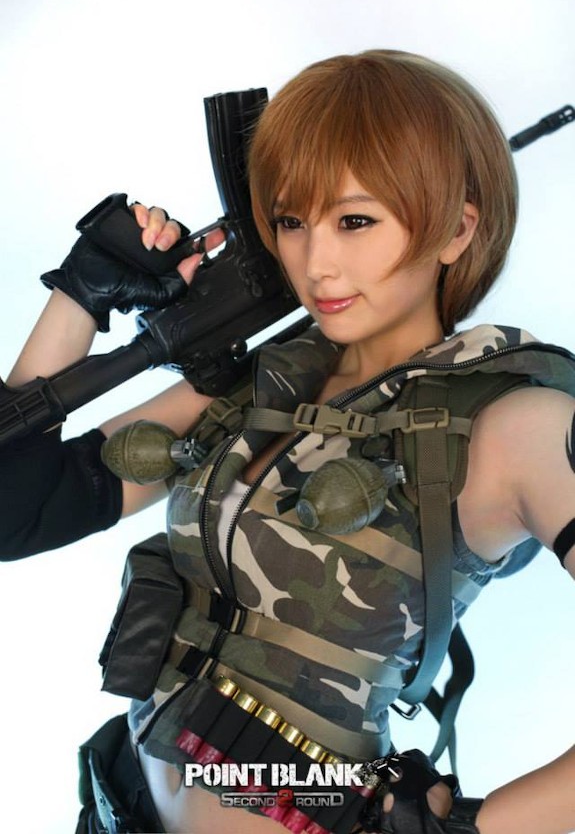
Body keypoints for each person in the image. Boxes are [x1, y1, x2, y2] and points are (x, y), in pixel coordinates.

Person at [1, 49, 575, 834]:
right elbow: (18, 512)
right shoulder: (261, 386)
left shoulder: (515, 423)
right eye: (291, 221)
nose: (315, 262)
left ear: (456, 229)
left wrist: (474, 828)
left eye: (355, 221)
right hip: (122, 809)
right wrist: (80, 296)